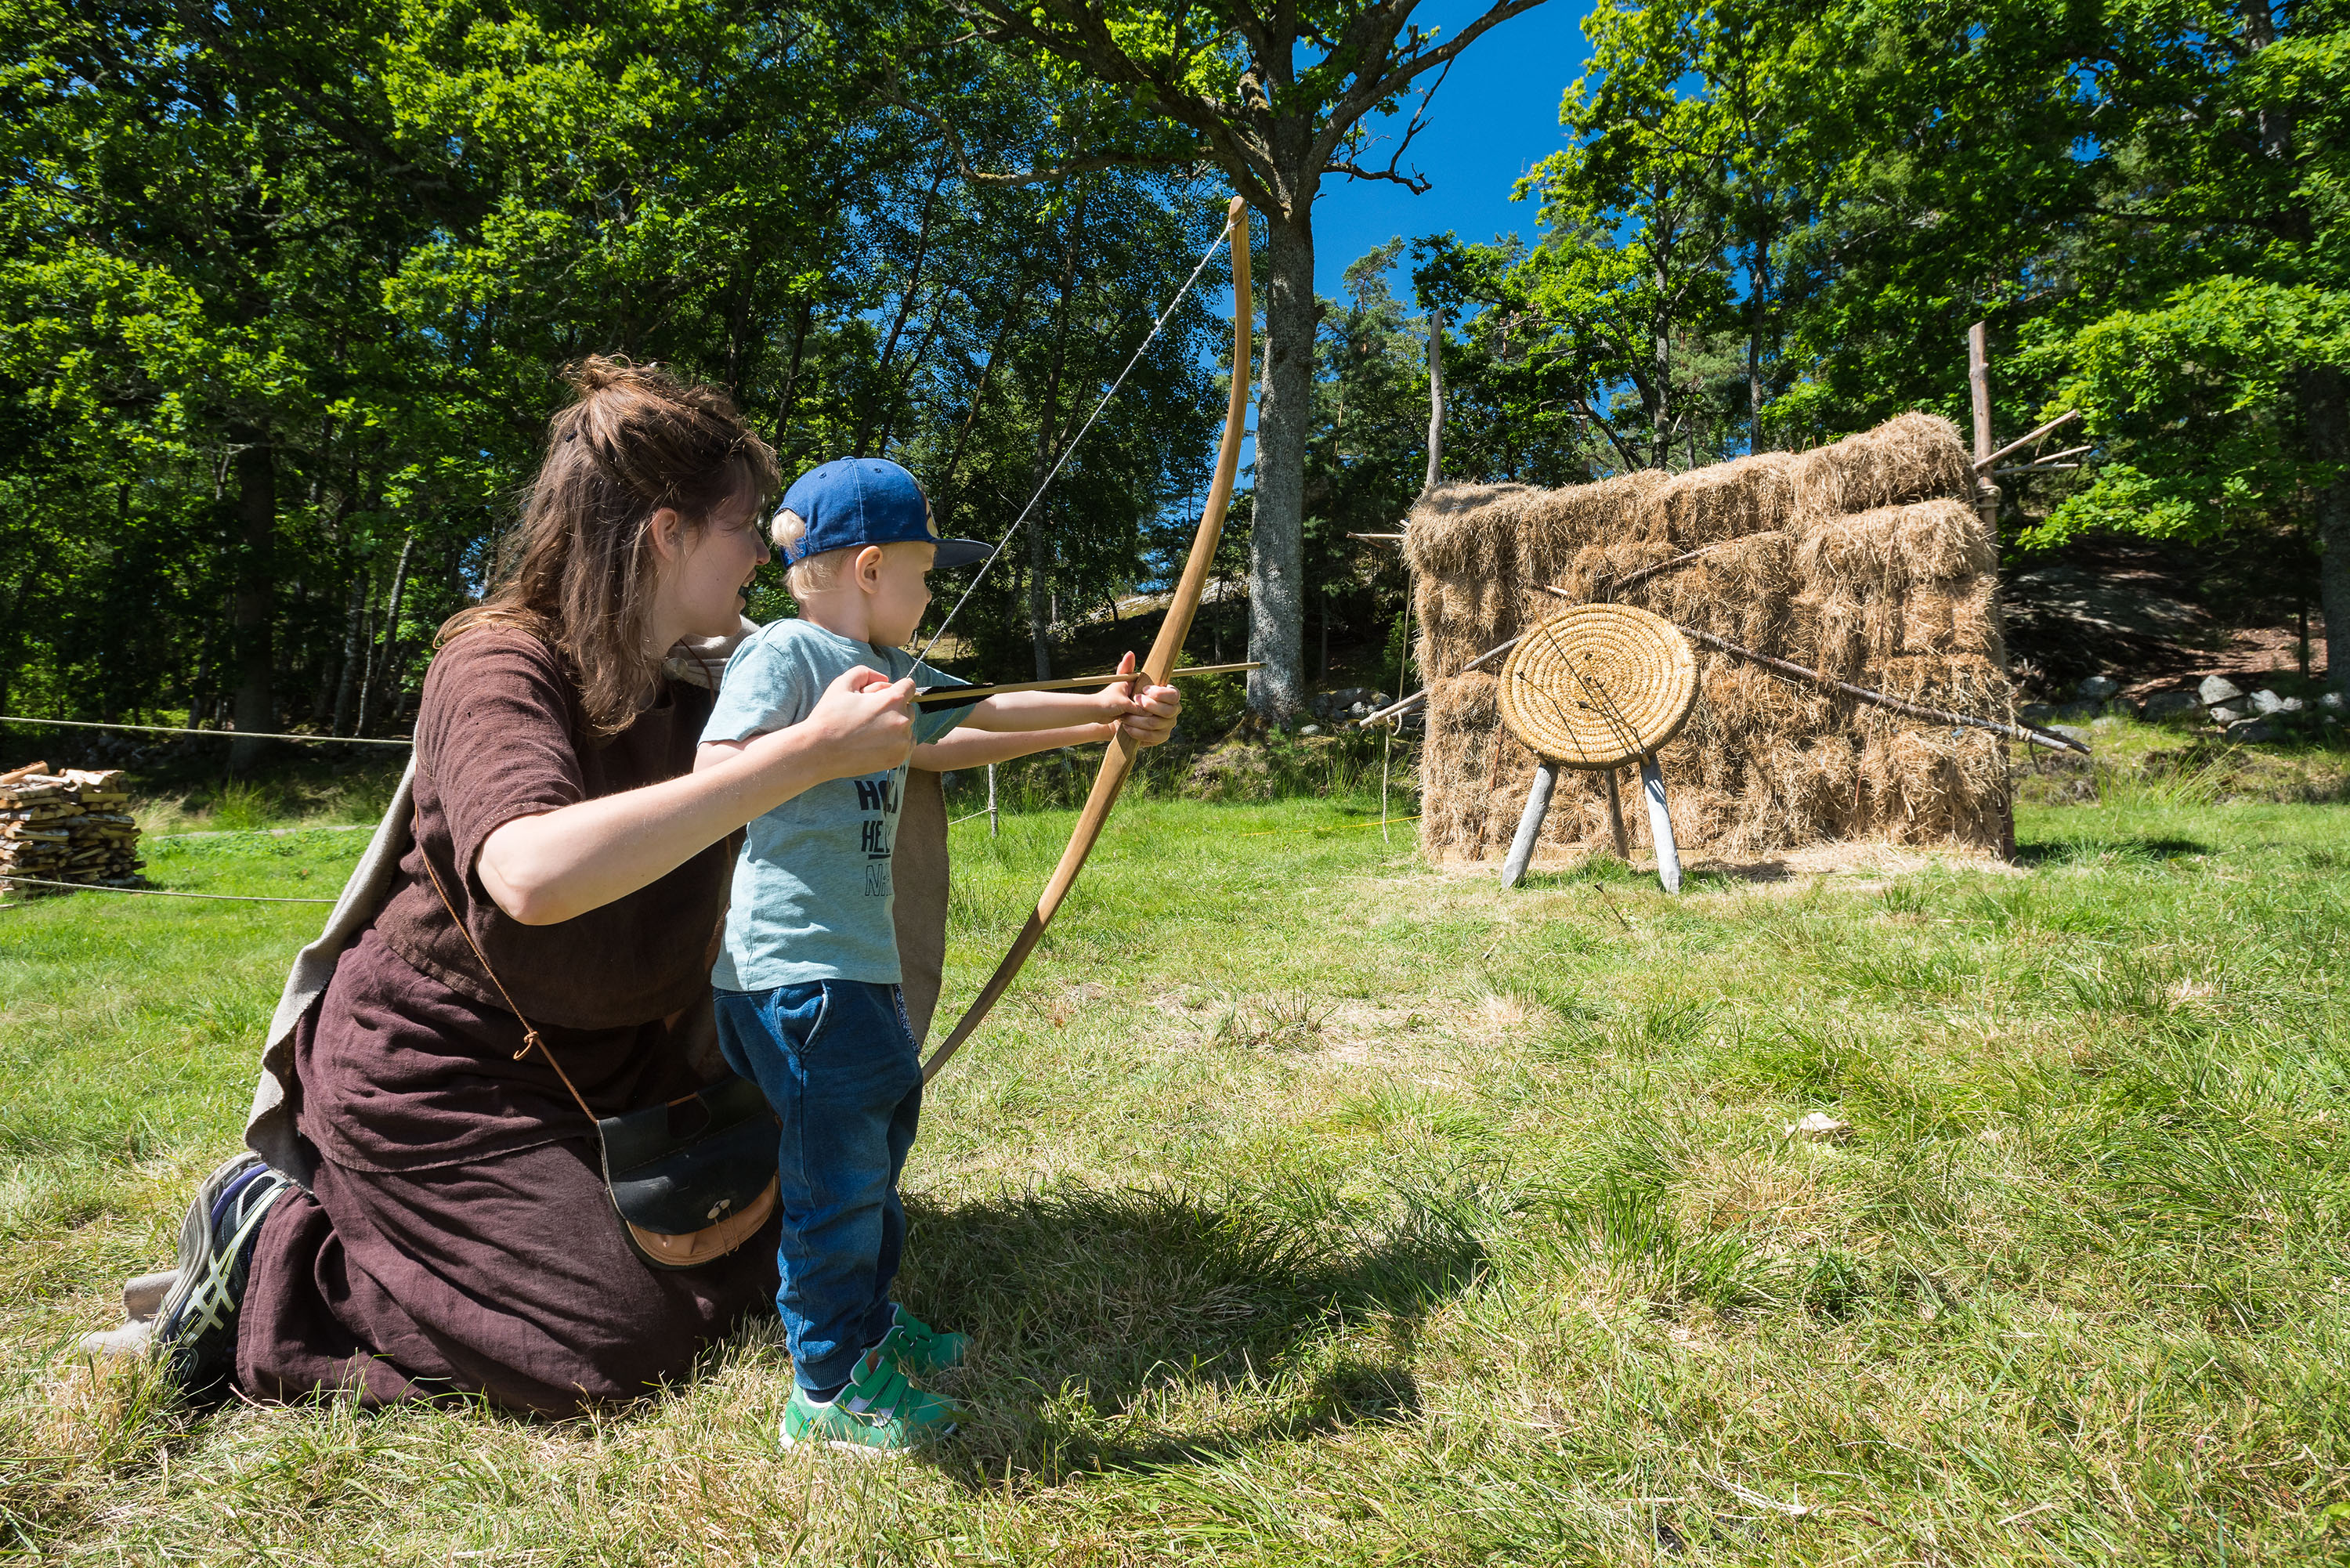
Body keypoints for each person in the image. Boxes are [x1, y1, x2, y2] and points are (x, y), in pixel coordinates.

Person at [144, 359, 924, 1414]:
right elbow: (531, 871)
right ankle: (276, 1245)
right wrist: (799, 759)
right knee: (609, 1348)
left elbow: (936, 716)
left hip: (610, 1059)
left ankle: (489, 1235)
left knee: (781, 1242)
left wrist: (1107, 712)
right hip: (441, 1065)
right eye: (744, 524)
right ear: (667, 531)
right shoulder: (499, 662)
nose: (766, 549)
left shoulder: (720, 665)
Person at [696, 457, 1180, 1455]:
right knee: (834, 1186)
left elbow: (984, 715)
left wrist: (1107, 713)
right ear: (869, 568)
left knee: (873, 1155)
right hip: (795, 976)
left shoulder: (882, 675)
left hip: (849, 973)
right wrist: (825, 742)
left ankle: (868, 1330)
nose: (930, 594)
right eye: (923, 573)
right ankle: (827, 1393)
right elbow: (717, 772)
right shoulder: (787, 654)